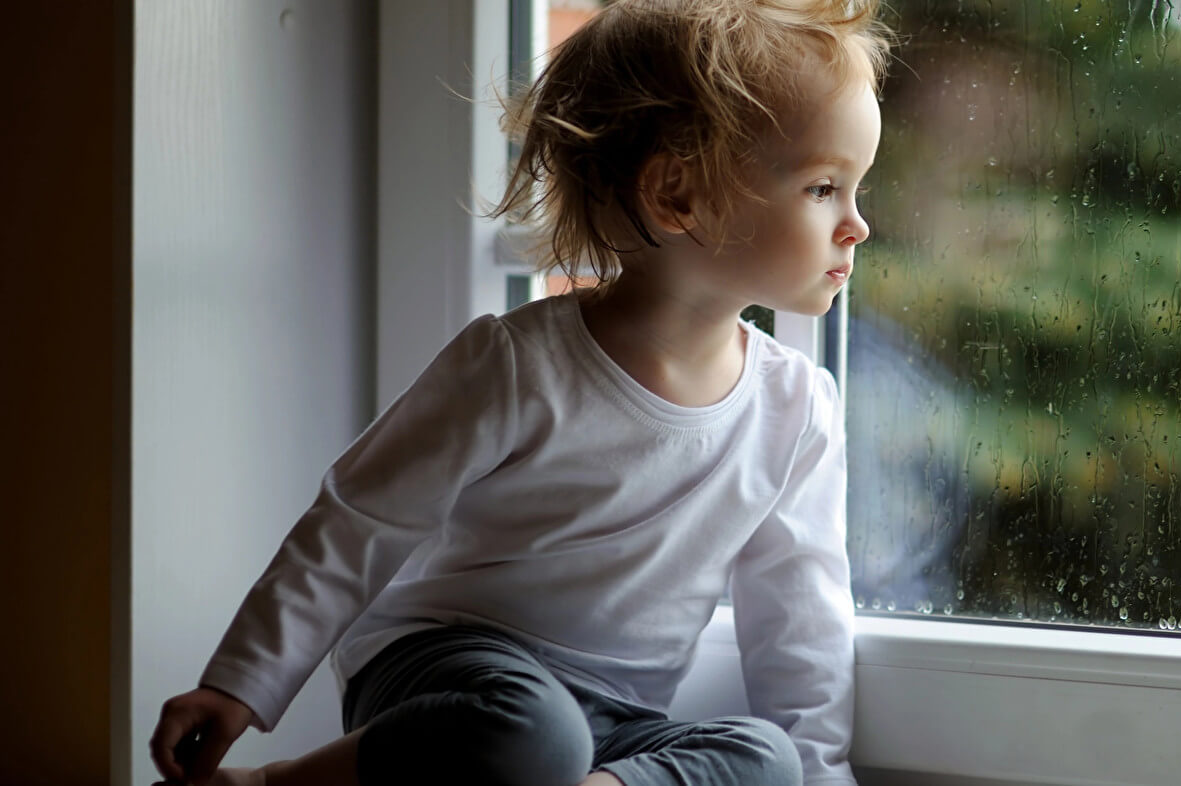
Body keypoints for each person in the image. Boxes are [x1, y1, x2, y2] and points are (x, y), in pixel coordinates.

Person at [148, 1, 891, 784]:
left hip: (615, 718)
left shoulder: (797, 407)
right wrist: (240, 681)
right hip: (451, 676)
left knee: (768, 762)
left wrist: (820, 775)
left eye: (856, 190)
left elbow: (801, 621)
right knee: (535, 731)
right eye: (823, 188)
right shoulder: (517, 365)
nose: (857, 226)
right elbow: (358, 520)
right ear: (677, 194)